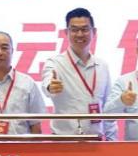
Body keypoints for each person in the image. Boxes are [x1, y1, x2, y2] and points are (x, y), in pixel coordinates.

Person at [41, 8, 116, 140]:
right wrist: (51, 87)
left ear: (94, 32)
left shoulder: (102, 66)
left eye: (85, 29)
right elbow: (47, 83)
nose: (80, 34)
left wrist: (111, 139)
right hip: (64, 140)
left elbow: (107, 107)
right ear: (66, 32)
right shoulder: (55, 63)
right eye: (74, 30)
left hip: (96, 140)